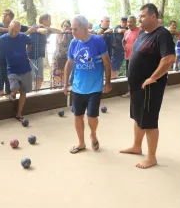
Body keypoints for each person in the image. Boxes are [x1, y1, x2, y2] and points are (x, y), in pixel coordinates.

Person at [119, 4, 175, 169]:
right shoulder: (143, 33)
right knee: (138, 116)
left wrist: (153, 77)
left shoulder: (162, 34)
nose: (140, 18)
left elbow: (169, 59)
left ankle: (151, 157)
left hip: (151, 87)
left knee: (149, 121)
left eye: (143, 16)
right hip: (137, 86)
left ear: (153, 17)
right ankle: (137, 146)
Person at [64, 15, 112, 154]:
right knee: (78, 116)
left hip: (95, 87)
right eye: (71, 29)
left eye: (75, 29)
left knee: (92, 117)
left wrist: (107, 82)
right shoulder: (74, 43)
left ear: (85, 29)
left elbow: (106, 62)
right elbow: (69, 63)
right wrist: (65, 84)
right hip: (78, 87)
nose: (72, 31)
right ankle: (81, 143)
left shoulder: (98, 41)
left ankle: (93, 134)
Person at [0, 9, 34, 96]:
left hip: (10, 62)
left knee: (10, 87)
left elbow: (32, 28)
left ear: (11, 18)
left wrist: (20, 34)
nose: (3, 16)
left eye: (5, 14)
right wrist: (8, 30)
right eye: (3, 14)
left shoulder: (17, 26)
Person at [28, 14, 61, 90]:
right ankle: (30, 93)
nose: (50, 22)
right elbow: (42, 31)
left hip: (40, 56)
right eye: (48, 21)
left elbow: (59, 31)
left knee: (40, 78)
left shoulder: (47, 29)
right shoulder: (35, 26)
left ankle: (36, 92)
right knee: (31, 77)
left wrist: (47, 28)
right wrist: (44, 28)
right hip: (31, 56)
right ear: (43, 20)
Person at [121, 16, 141, 98]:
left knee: (137, 74)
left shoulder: (140, 31)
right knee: (129, 75)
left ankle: (138, 91)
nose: (129, 24)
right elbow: (124, 42)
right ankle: (130, 91)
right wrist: (123, 46)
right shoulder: (126, 32)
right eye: (128, 22)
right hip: (128, 57)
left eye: (131, 22)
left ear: (135, 22)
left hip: (137, 57)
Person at [51, 20, 72, 88]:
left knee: (65, 75)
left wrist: (69, 34)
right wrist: (64, 35)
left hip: (66, 58)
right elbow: (60, 43)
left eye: (67, 26)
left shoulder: (71, 34)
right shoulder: (59, 33)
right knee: (57, 76)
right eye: (64, 26)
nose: (65, 27)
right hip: (58, 57)